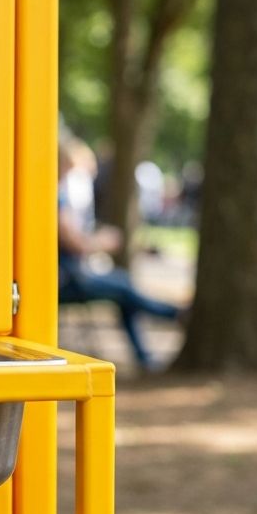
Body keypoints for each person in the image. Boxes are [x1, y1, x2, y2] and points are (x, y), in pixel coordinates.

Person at [58, 137, 182, 369]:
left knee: (123, 291)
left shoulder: (55, 197)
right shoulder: (54, 199)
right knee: (124, 287)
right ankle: (174, 314)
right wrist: (103, 241)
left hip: (70, 275)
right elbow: (77, 244)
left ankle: (146, 355)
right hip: (69, 280)